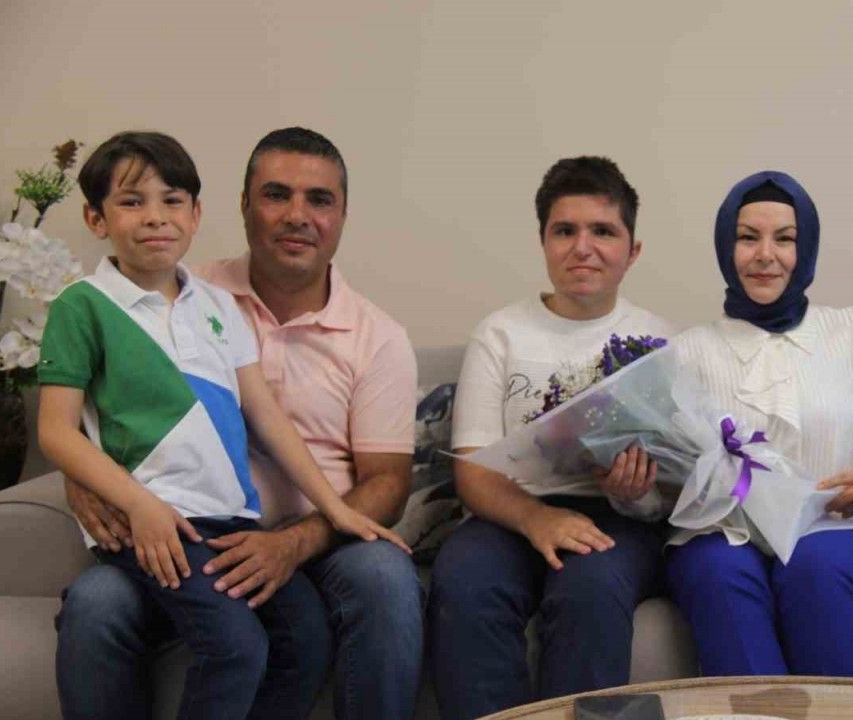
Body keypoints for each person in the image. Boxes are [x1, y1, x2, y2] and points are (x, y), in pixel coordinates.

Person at [54, 127, 424, 720]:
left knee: (380, 578)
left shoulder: (376, 337)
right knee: (98, 602)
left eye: (319, 200)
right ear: (243, 206)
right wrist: (86, 482)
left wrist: (302, 537)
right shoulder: (172, 284)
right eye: (276, 195)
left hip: (311, 541)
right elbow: (78, 414)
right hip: (176, 525)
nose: (297, 215)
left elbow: (386, 479)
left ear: (342, 216)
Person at [662, 171, 853, 677]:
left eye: (785, 239)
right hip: (725, 531)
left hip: (843, 525)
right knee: (716, 572)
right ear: (725, 247)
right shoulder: (686, 352)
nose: (765, 255)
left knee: (814, 566)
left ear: (808, 248)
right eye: (747, 237)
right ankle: (757, 713)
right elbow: (667, 480)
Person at [428, 156, 675, 720]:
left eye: (603, 231)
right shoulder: (499, 334)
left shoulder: (659, 341)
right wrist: (537, 519)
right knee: (465, 583)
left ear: (633, 250)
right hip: (508, 511)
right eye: (565, 231)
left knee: (589, 589)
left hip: (616, 520)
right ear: (543, 241)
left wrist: (634, 493)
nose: (582, 248)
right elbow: (472, 471)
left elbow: (673, 488)